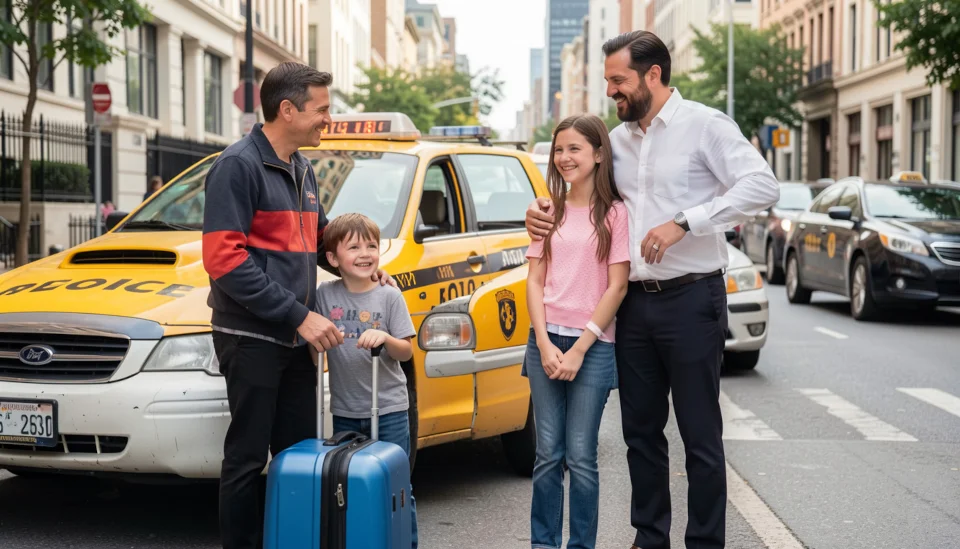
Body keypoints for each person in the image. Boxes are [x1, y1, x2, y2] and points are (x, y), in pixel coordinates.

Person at [525, 31, 780, 549]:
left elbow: (762, 185)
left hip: (692, 298)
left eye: (619, 82)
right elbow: (576, 188)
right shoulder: (614, 142)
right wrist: (538, 212)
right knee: (640, 434)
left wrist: (686, 221)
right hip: (633, 304)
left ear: (653, 75)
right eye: (609, 83)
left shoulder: (705, 125)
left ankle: (705, 542)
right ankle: (650, 539)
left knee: (699, 436)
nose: (612, 93)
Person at [202, 62, 391, 549]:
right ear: (288, 110)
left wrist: (362, 269)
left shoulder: (301, 167)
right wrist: (300, 315)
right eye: (322, 109)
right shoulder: (237, 166)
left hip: (295, 340)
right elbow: (223, 260)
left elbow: (323, 243)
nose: (328, 118)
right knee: (246, 459)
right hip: (253, 338)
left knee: (297, 456)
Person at [523, 114, 630, 549]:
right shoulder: (548, 209)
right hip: (545, 341)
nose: (564, 157)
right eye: (559, 149)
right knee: (547, 454)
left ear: (599, 154)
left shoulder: (616, 214)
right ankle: (542, 544)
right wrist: (545, 344)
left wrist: (581, 347)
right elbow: (533, 280)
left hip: (593, 347)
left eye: (575, 149)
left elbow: (617, 285)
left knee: (581, 456)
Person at [312, 213, 419, 548]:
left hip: (387, 408)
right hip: (346, 408)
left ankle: (405, 542)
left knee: (396, 485)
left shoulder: (389, 296)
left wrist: (384, 338)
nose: (364, 253)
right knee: (350, 484)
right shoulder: (324, 295)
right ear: (332, 258)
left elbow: (406, 351)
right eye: (354, 246)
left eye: (371, 245)